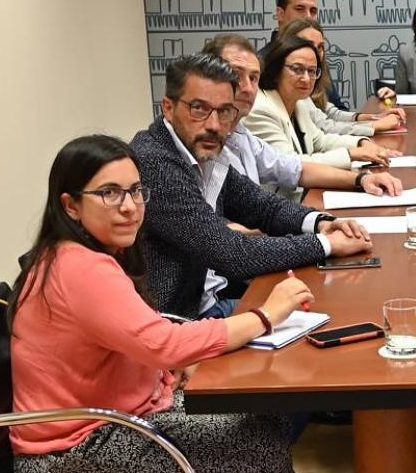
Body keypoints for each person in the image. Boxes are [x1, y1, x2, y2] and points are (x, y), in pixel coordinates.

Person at [9, 134, 322, 473]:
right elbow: (163, 343)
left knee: (264, 414)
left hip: (114, 421)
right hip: (73, 459)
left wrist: (171, 365)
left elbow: (140, 336)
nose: (130, 206)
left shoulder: (78, 256)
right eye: (110, 194)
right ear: (69, 204)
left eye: (136, 191)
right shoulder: (80, 267)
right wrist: (266, 315)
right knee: (258, 441)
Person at [130, 53, 372, 320]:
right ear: (168, 107)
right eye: (198, 108)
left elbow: (261, 206)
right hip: (181, 322)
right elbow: (230, 252)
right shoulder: (155, 162)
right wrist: (325, 244)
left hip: (210, 301)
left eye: (224, 111)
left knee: (337, 307)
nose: (213, 125)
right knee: (328, 318)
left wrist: (320, 222)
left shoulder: (202, 150)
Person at [197, 33, 402, 318]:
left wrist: (357, 183)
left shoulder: (238, 131)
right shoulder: (183, 151)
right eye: (234, 75)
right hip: (215, 296)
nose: (244, 88)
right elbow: (227, 241)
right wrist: (323, 242)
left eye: (253, 78)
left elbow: (289, 173)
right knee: (338, 309)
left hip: (238, 271)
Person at [243, 35, 395, 171]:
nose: (307, 79)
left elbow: (320, 141)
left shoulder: (300, 101)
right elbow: (290, 165)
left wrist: (361, 143)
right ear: (276, 71)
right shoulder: (262, 109)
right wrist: (351, 153)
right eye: (297, 69)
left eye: (312, 71)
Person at [279, 18, 404, 137]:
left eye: (320, 47)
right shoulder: (291, 88)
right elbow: (325, 127)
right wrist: (375, 125)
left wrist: (373, 117)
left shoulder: (315, 77)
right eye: (308, 46)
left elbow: (331, 113)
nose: (316, 52)